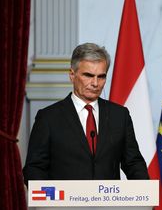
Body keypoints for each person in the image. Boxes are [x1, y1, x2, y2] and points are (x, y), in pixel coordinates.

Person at [23, 43, 149, 184]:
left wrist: (144, 195)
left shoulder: (120, 115)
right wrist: (52, 198)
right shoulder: (48, 118)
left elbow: (133, 163)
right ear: (72, 75)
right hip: (64, 204)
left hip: (109, 203)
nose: (95, 83)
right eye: (88, 75)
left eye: (101, 77)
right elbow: (34, 168)